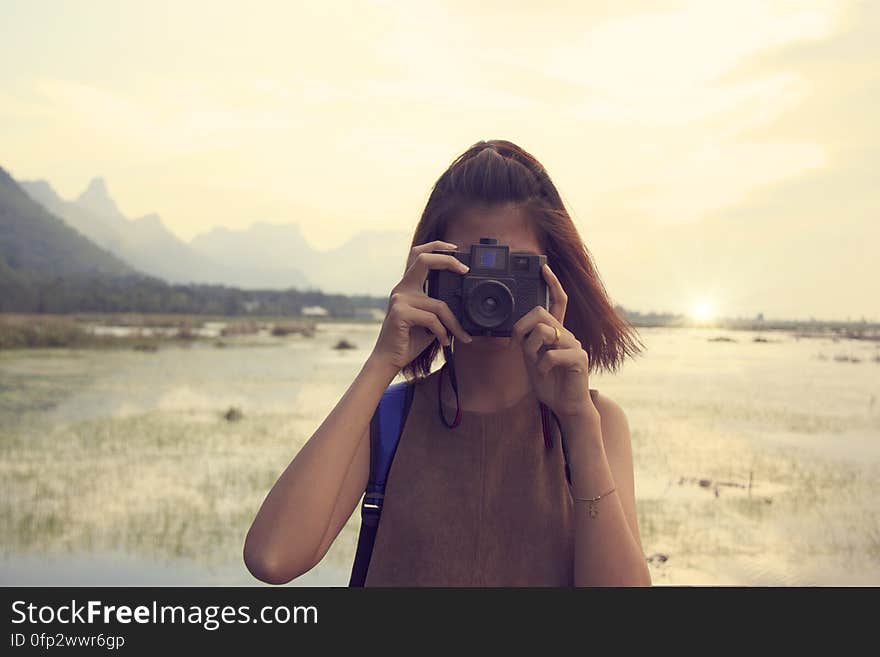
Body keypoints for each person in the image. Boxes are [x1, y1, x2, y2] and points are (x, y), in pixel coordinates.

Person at [243, 139, 651, 587]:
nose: (490, 289)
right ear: (430, 271)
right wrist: (383, 363)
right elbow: (272, 558)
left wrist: (578, 423)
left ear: (552, 279)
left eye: (513, 268)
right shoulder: (388, 419)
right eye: (468, 267)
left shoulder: (595, 424)